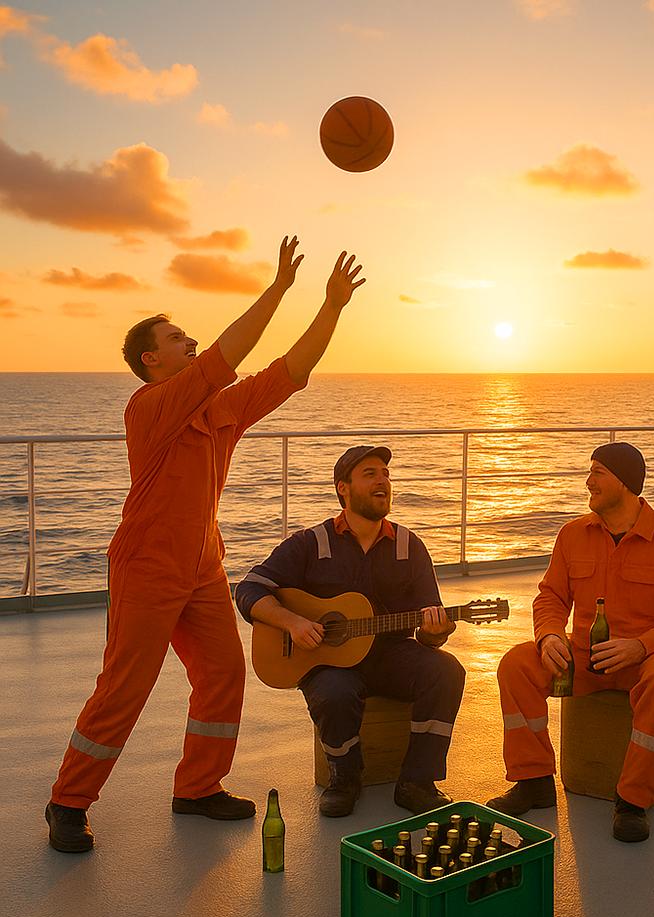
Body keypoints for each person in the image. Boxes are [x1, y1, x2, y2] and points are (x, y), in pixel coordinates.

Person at [45, 239, 366, 854]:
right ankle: (67, 802)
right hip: (146, 566)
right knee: (124, 688)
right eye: (177, 338)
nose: (190, 342)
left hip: (202, 567)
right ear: (151, 359)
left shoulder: (219, 412)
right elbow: (227, 354)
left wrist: (331, 307)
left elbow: (289, 371)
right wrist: (277, 289)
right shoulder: (149, 408)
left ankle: (198, 787)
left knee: (222, 674)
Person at [486, 442, 654, 842]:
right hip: (584, 658)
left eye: (597, 472)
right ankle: (533, 780)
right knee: (516, 664)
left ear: (624, 482)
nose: (588, 481)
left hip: (649, 658)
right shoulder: (572, 535)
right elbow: (551, 597)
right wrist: (549, 634)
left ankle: (633, 801)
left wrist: (640, 646)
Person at [234, 445, 465, 817]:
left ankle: (418, 781)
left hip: (390, 655)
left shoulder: (409, 545)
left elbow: (426, 628)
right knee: (334, 692)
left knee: (445, 669)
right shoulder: (310, 543)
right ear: (344, 488)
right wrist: (292, 622)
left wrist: (435, 633)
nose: (383, 481)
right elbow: (248, 589)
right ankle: (345, 777)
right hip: (328, 662)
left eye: (386, 474)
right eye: (370, 474)